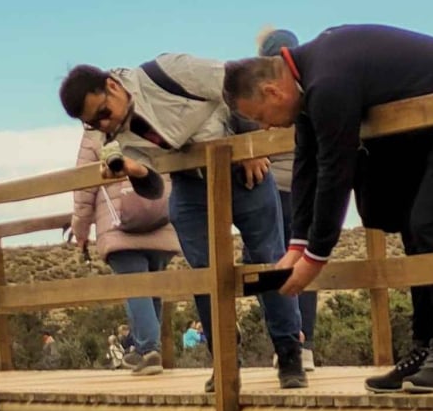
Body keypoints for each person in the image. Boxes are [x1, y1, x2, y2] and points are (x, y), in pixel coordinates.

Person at [223, 24, 433, 393]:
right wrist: (297, 244)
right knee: (412, 227)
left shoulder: (326, 82)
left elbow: (335, 171)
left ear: (271, 90)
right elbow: (307, 165)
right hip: (429, 120)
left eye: (260, 116)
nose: (264, 127)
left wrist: (316, 257)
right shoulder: (308, 82)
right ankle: (427, 346)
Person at [59, 58, 307, 391]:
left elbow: (234, 82)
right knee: (203, 273)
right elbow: (154, 188)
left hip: (243, 169)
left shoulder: (167, 72)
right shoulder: (118, 137)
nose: (104, 124)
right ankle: (224, 360)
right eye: (93, 124)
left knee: (268, 260)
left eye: (103, 113)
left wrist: (248, 144)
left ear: (113, 86)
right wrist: (134, 171)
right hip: (189, 184)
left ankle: (289, 353)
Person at [70, 129, 180, 375]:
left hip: (119, 225)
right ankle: (143, 351)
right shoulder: (152, 119)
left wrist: (80, 229)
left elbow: (84, 188)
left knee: (136, 288)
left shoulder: (94, 133)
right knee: (152, 291)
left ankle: (149, 350)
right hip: (161, 217)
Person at [256, 26, 317, 373]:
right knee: (306, 260)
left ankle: (288, 342)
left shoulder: (265, 91)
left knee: (271, 262)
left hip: (274, 189)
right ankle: (302, 345)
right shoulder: (307, 86)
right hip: (306, 189)